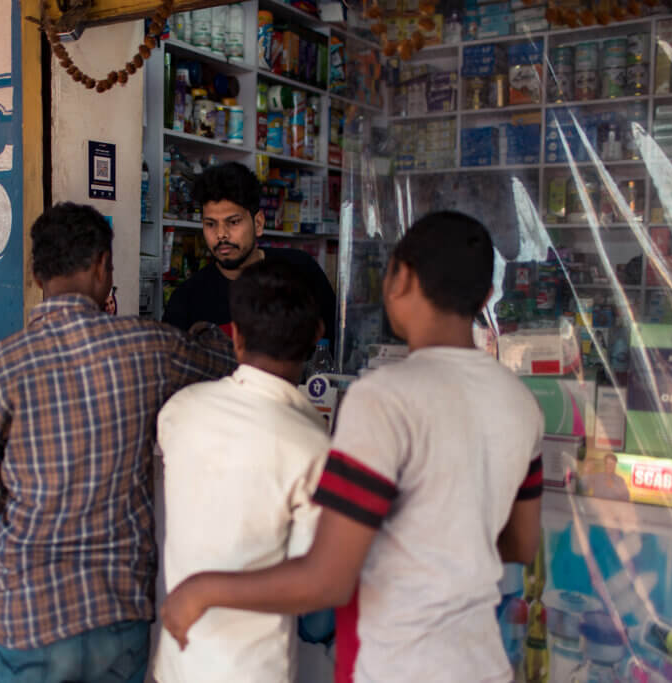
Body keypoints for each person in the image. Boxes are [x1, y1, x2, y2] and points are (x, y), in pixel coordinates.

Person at [161, 211, 546, 682]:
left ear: (398, 279)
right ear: (487, 297)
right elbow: (521, 542)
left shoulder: (383, 397)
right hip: (482, 664)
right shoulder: (520, 402)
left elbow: (327, 580)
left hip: (399, 665)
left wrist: (203, 590)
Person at [0, 202, 236, 683]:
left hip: (27, 616)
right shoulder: (148, 346)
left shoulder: (2, 364)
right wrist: (204, 331)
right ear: (104, 266)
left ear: (38, 273)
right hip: (115, 613)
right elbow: (226, 360)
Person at [153, 260, 329, 683]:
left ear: (237, 338)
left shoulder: (179, 411)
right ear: (317, 336)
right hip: (255, 670)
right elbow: (315, 601)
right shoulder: (313, 449)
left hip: (177, 662)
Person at [162, 162, 336, 349]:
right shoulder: (187, 299)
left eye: (233, 222)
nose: (221, 234)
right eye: (210, 224)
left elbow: (336, 343)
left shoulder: (300, 270)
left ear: (258, 223)